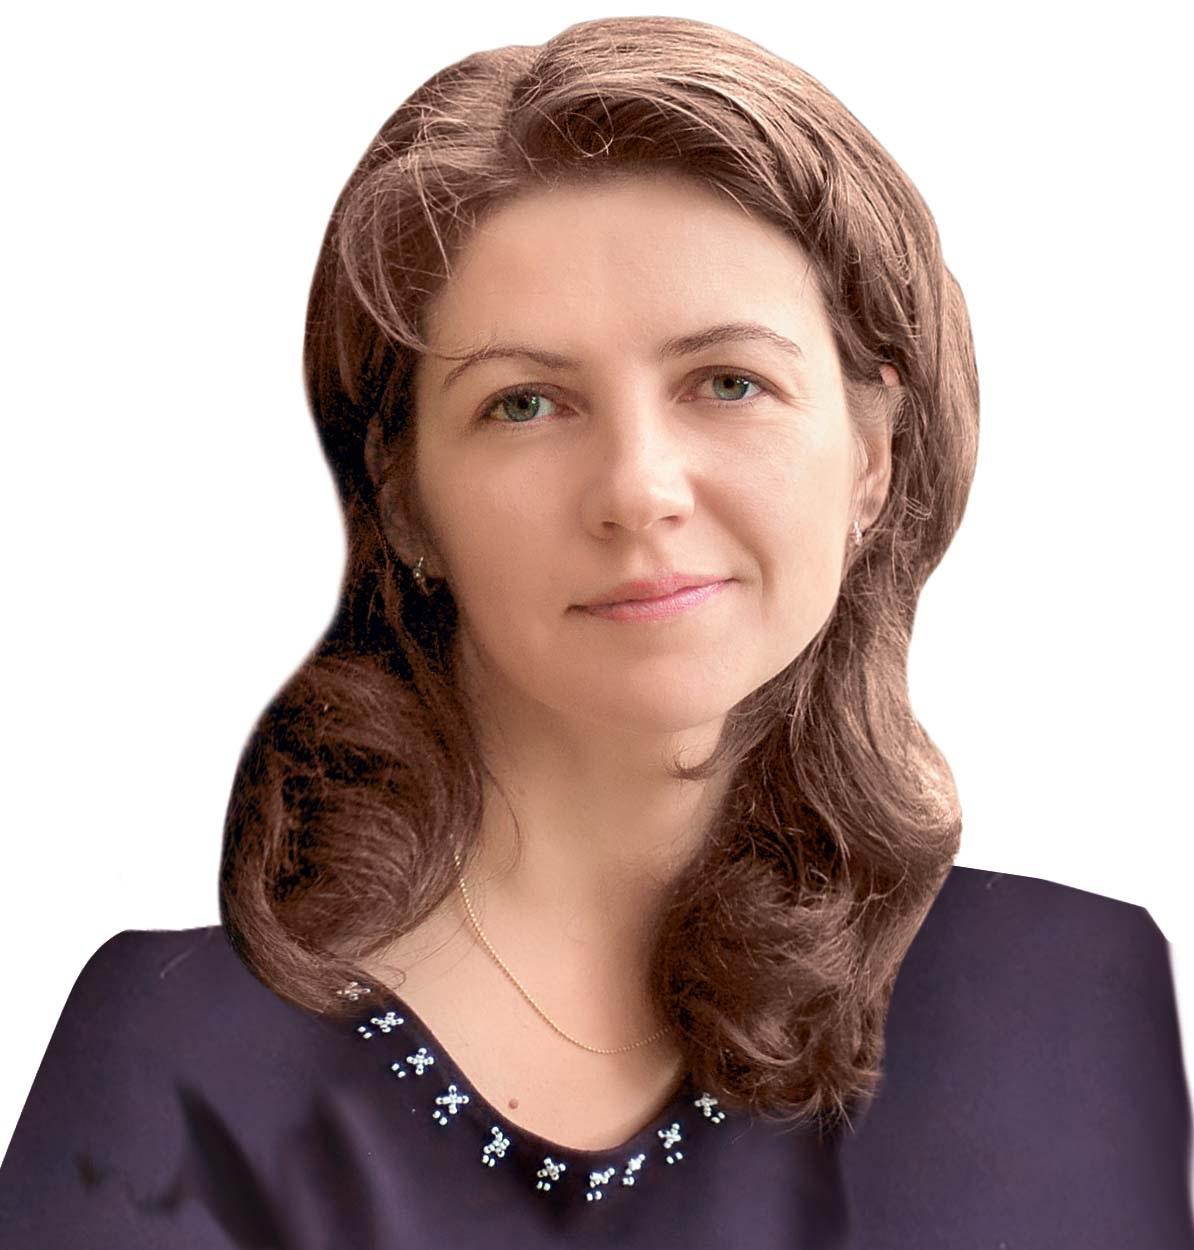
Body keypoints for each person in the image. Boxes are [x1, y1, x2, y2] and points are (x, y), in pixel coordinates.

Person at [1, 14, 1190, 1248]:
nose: (638, 488)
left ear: (875, 455)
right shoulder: (178, 1052)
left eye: (728, 382)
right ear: (405, 499)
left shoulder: (1067, 999)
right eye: (525, 403)